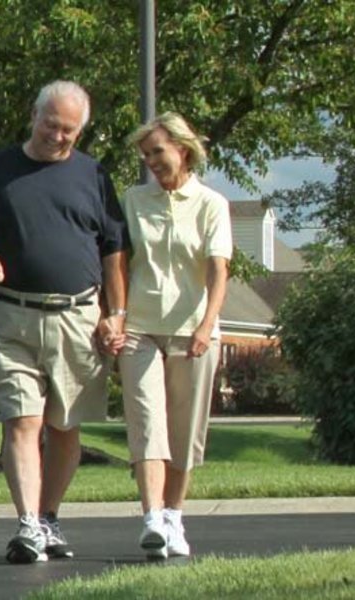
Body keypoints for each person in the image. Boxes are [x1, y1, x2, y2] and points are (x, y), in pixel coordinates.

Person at [0, 80, 129, 564]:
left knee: (66, 428)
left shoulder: (93, 175)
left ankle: (49, 517)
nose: (59, 136)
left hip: (79, 318)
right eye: (51, 125)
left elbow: (113, 251)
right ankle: (27, 525)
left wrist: (117, 314)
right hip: (10, 315)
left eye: (70, 130)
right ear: (33, 116)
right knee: (22, 421)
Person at [115, 111, 232, 559]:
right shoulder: (133, 200)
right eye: (145, 155)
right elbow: (120, 263)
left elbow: (218, 271)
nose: (151, 161)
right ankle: (151, 519)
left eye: (157, 151)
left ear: (182, 149)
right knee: (146, 424)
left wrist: (206, 326)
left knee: (184, 432)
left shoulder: (211, 204)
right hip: (140, 329)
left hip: (194, 333)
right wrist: (117, 315)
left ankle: (174, 517)